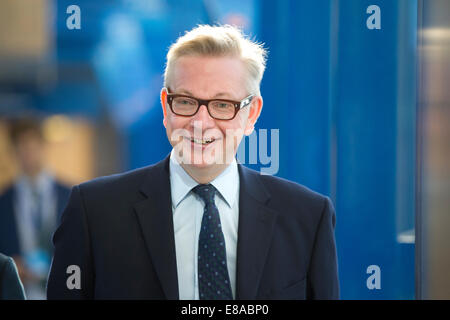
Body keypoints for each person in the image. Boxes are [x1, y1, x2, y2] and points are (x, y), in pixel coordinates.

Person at [47, 25, 339, 300]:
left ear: (251, 114)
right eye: (186, 102)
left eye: (222, 105)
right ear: (165, 106)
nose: (200, 122)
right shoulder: (94, 212)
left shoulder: (307, 217)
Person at [0, 118, 71, 299]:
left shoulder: (71, 196)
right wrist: (10, 267)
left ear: (43, 146)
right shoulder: (4, 201)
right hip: (17, 291)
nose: (28, 153)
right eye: (21, 147)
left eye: (32, 145)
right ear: (13, 151)